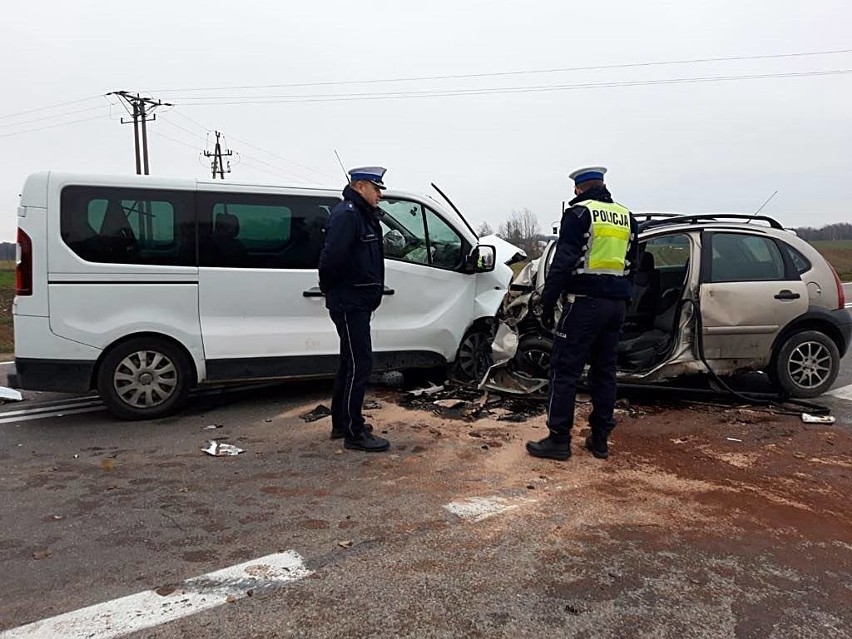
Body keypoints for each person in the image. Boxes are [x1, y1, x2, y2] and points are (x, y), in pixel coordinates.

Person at [526, 166, 638, 461]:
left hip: (584, 303)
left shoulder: (578, 214)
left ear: (578, 189)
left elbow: (563, 263)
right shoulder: (627, 216)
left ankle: (558, 440)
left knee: (564, 370)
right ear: (602, 184)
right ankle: (600, 440)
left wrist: (547, 303)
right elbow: (633, 264)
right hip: (616, 306)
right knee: (604, 372)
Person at [318, 166, 391, 452]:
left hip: (356, 300)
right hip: (350, 302)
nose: (380, 194)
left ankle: (342, 422)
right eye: (377, 188)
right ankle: (353, 431)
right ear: (361, 186)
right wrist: (334, 290)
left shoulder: (360, 214)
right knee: (360, 364)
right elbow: (331, 259)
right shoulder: (348, 215)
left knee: (350, 363)